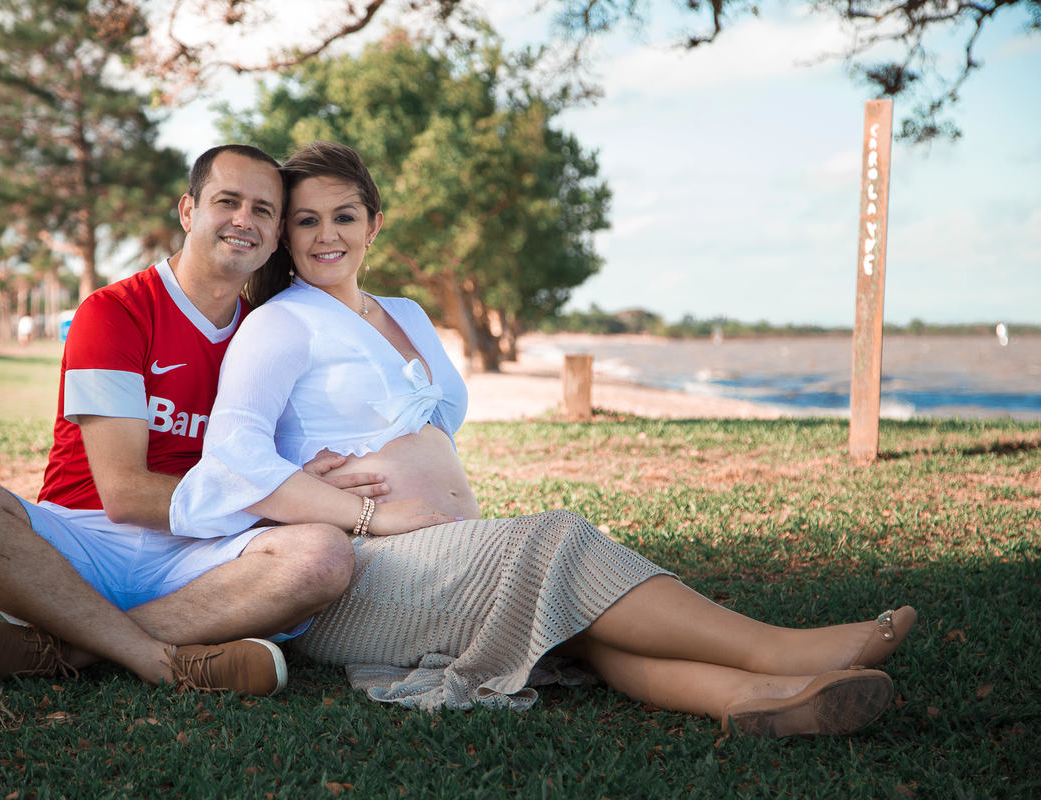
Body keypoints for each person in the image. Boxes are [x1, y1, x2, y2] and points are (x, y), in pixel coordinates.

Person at [169, 140, 918, 736]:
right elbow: (233, 458)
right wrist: (366, 512)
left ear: (374, 223)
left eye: (343, 215)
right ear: (284, 237)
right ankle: (778, 648)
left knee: (582, 627)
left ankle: (758, 698)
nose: (326, 234)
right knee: (556, 540)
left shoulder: (408, 313)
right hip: (361, 576)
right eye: (305, 220)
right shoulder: (278, 324)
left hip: (446, 553)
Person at [0, 144, 390, 696]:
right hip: (83, 545)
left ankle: (71, 651)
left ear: (278, 230)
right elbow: (125, 494)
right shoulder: (114, 311)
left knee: (322, 557)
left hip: (202, 561)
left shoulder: (274, 331)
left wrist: (308, 485)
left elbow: (279, 463)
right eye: (227, 201)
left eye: (263, 210)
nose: (244, 219)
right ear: (188, 211)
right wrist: (280, 496)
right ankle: (167, 661)